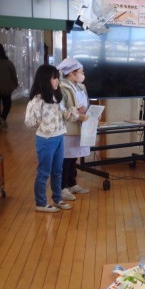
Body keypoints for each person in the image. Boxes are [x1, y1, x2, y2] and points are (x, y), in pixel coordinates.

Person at [25, 64, 86, 213]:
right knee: (44, 172)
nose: (57, 80)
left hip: (59, 137)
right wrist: (43, 123)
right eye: (54, 78)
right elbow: (29, 122)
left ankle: (57, 199)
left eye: (57, 78)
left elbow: (65, 115)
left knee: (57, 170)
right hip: (46, 140)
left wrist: (76, 112)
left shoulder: (56, 97)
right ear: (45, 79)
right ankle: (41, 203)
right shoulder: (37, 99)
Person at [57, 57, 91, 201]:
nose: (83, 75)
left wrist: (90, 113)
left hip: (80, 126)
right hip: (68, 129)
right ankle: (62, 187)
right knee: (65, 158)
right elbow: (61, 110)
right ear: (72, 73)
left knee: (73, 157)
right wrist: (78, 114)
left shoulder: (80, 87)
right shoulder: (61, 88)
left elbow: (85, 104)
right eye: (81, 72)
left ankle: (72, 183)